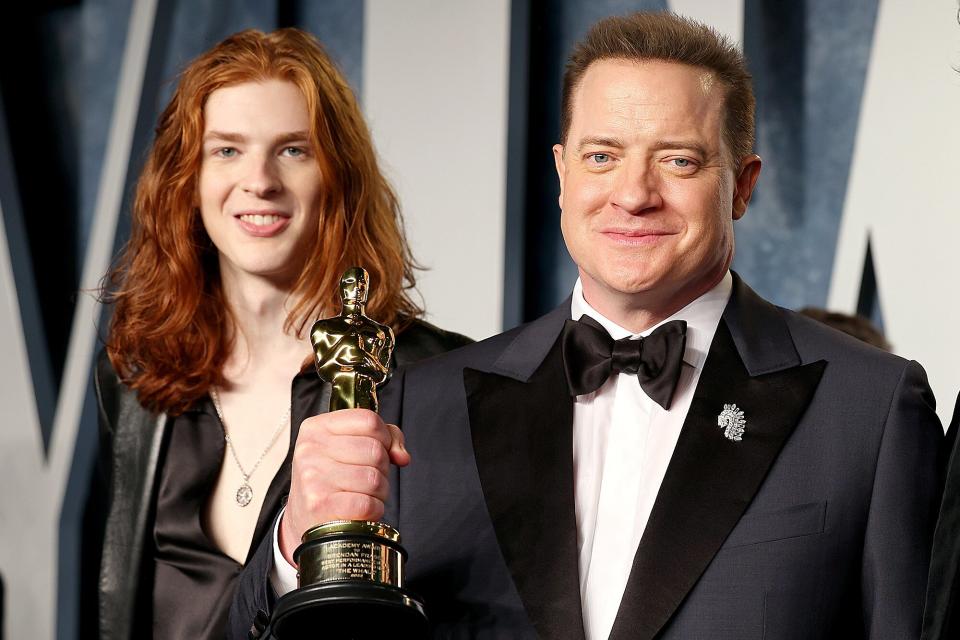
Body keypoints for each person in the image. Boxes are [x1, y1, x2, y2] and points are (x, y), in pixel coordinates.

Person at [230, 13, 942, 639]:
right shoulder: (420, 404)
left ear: (743, 184)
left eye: (678, 160)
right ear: (563, 174)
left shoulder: (869, 410)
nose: (633, 194)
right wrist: (301, 546)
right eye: (603, 157)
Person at [94, 28, 470, 639]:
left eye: (293, 150)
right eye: (226, 151)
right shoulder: (132, 372)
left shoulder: (441, 377)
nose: (259, 180)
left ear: (337, 176)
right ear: (185, 179)